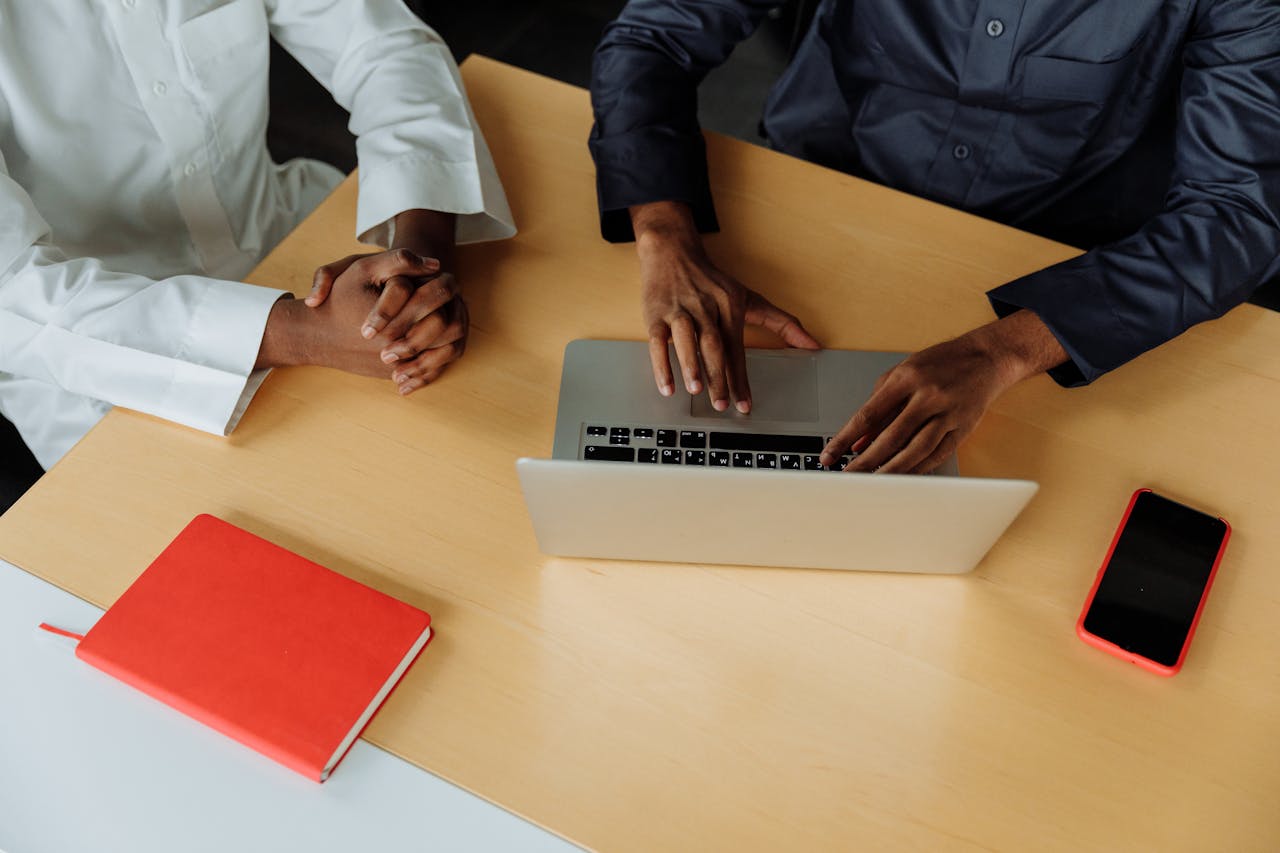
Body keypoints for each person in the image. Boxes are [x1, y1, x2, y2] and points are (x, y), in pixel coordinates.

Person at [589, 0, 1280, 474]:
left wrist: (1004, 350)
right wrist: (665, 234)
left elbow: (1236, 216)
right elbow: (655, 37)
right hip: (826, 198)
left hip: (1063, 268)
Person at [0, 0, 514, 470]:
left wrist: (421, 262)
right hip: (99, 364)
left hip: (297, 244)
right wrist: (299, 333)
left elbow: (381, 47)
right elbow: (13, 293)